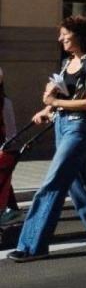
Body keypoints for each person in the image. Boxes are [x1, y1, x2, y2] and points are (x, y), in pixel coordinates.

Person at [8, 16, 86, 262]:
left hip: (79, 128)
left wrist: (54, 102)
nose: (60, 39)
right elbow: (63, 93)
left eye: (64, 34)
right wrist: (47, 110)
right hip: (62, 124)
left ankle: (31, 245)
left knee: (52, 183)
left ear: (78, 36)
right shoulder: (67, 62)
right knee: (80, 182)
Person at [0, 66, 24, 227]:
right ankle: (12, 209)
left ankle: (10, 210)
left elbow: (11, 130)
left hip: (2, 149)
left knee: (3, 179)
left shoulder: (4, 102)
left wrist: (6, 149)